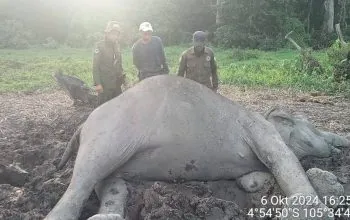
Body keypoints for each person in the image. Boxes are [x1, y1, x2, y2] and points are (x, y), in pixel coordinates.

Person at [93, 21, 125, 105]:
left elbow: (119, 62)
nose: (115, 36)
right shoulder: (100, 46)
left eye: (117, 34)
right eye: (113, 33)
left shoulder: (117, 45)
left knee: (118, 106)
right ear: (107, 33)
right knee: (103, 107)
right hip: (105, 84)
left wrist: (122, 75)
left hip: (116, 83)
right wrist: (98, 84)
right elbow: (95, 67)